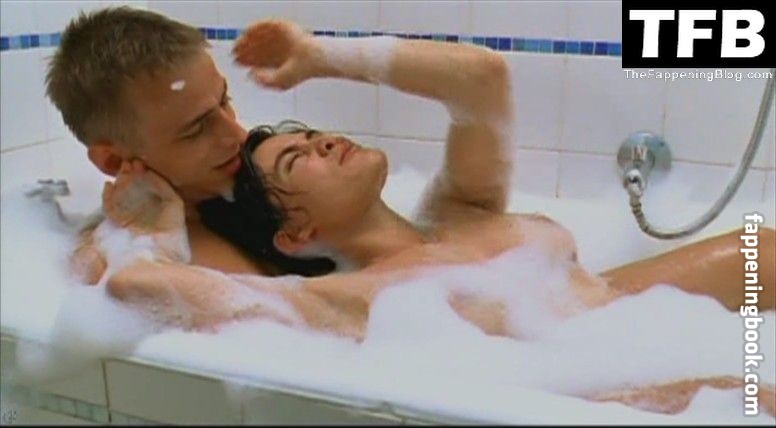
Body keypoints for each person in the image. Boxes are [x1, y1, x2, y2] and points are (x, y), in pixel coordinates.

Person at [99, 19, 775, 416]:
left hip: (625, 318)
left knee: (764, 249)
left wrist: (323, 56)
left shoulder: (461, 209)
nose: (324, 141)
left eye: (312, 133)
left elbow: (481, 78)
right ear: (298, 233)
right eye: (297, 159)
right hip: (600, 394)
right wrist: (150, 226)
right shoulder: (351, 299)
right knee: (747, 397)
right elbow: (139, 286)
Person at [45, 6, 279, 283]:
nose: (239, 135)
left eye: (224, 100)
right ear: (114, 161)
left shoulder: (266, 183)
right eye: (196, 129)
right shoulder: (129, 267)